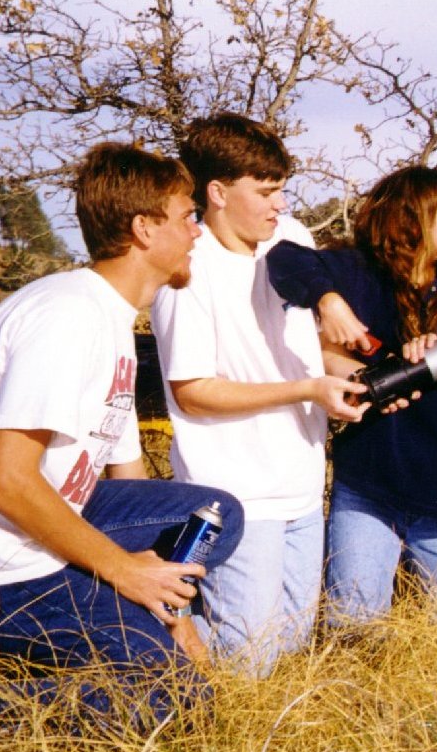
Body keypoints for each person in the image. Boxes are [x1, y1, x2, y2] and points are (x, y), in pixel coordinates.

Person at [0, 142, 245, 723]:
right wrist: (124, 571)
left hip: (43, 526)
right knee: (172, 696)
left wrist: (176, 617)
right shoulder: (68, 318)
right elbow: (4, 482)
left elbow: (125, 476)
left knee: (216, 512)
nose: (198, 231)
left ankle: (120, 620)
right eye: (188, 215)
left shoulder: (110, 315)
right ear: (144, 229)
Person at [149, 113, 370, 678]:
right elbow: (192, 391)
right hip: (238, 495)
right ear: (218, 193)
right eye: (266, 191)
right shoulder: (188, 273)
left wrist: (347, 375)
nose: (279, 204)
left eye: (281, 190)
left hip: (300, 481)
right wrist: (308, 389)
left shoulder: (292, 237)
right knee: (246, 659)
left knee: (290, 645)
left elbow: (305, 347)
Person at [266, 166, 437, 631]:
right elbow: (286, 260)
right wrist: (328, 301)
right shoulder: (357, 274)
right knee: (351, 630)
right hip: (367, 493)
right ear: (414, 219)